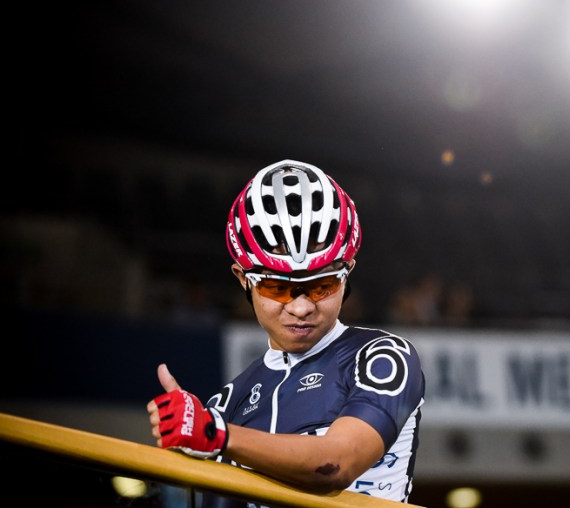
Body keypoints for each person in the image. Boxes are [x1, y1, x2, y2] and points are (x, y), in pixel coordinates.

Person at [146, 159, 426, 505]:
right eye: (278, 288)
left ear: (347, 273)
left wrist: (214, 435)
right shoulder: (227, 404)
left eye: (322, 285)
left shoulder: (382, 357)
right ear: (241, 279)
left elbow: (335, 464)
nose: (301, 307)